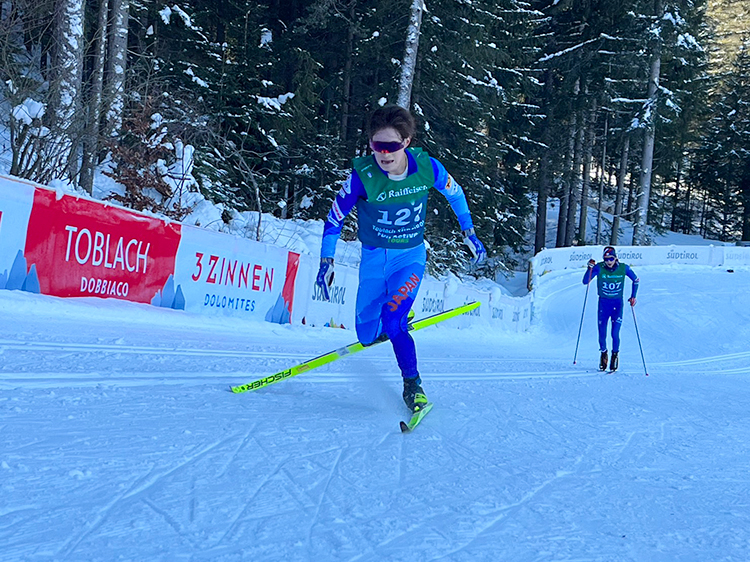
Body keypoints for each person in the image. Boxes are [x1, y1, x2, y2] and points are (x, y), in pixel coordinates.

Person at [315, 105, 486, 412]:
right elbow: (334, 219)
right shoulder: (362, 176)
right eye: (376, 146)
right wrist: (326, 261)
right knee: (366, 336)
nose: (384, 153)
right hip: (373, 261)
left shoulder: (427, 168)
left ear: (406, 142)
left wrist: (469, 232)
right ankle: (394, 318)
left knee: (393, 323)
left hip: (408, 258)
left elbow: (456, 194)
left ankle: (413, 385)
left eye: (391, 146)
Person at [583, 246, 639, 372]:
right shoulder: (599, 267)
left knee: (615, 333)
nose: (609, 262)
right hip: (603, 304)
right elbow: (585, 281)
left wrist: (633, 296)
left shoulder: (623, 268)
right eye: (606, 259)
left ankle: (615, 355)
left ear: (616, 258)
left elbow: (636, 280)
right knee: (602, 334)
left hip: (617, 305)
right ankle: (603, 353)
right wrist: (589, 269)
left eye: (611, 259)